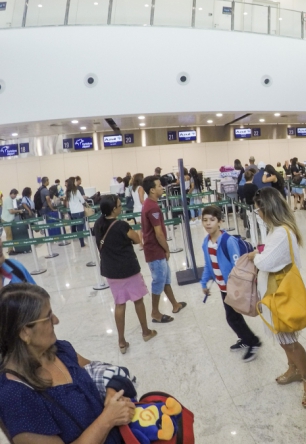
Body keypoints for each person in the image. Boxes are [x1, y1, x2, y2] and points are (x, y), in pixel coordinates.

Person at [0, 284, 136, 444]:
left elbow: (96, 371)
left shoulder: (60, 350)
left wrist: (111, 392)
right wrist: (108, 419)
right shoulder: (15, 396)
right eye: (48, 317)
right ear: (25, 332)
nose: (56, 320)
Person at [246, 188, 306, 408]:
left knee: (289, 342)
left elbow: (264, 263)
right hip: (274, 292)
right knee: (283, 339)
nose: (257, 213)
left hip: (279, 294)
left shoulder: (280, 233)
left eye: (258, 209)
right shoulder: (279, 230)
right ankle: (294, 369)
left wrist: (257, 256)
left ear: (268, 209)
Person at [94, 195, 157, 353]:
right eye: (119, 205)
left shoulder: (98, 224)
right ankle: (146, 332)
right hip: (128, 269)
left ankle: (121, 341)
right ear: (114, 209)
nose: (121, 207)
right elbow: (136, 239)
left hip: (111, 271)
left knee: (119, 304)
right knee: (138, 301)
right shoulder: (121, 225)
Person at [199, 205, 262, 362]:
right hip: (222, 287)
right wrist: (204, 282)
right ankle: (245, 338)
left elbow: (238, 266)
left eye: (212, 220)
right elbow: (208, 265)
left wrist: (237, 288)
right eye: (205, 220)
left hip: (233, 288)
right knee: (234, 317)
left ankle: (253, 342)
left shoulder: (228, 241)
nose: (208, 223)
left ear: (220, 222)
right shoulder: (205, 243)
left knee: (232, 318)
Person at [140, 175, 186, 324]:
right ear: (152, 190)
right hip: (155, 249)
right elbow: (158, 234)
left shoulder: (149, 203)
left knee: (165, 278)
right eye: (159, 186)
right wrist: (167, 249)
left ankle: (175, 304)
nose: (162, 188)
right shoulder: (152, 207)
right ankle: (155, 311)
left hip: (156, 248)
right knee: (159, 280)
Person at [64, 177, 88, 248]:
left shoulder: (68, 192)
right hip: (79, 211)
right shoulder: (76, 191)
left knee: (77, 227)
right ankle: (82, 243)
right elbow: (82, 200)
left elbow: (68, 202)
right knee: (81, 228)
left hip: (73, 212)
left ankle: (81, 242)